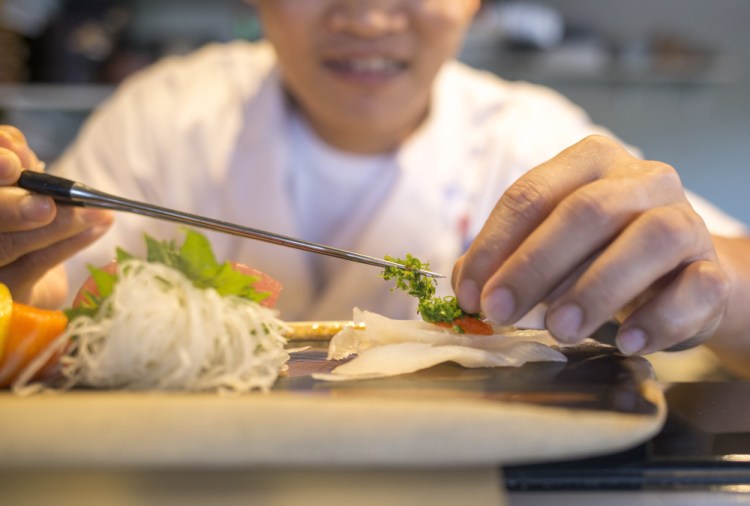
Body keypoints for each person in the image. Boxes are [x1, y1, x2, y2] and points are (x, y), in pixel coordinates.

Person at [0, 0, 749, 374]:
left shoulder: (525, 134)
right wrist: (21, 277)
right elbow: (48, 297)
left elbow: (727, 270)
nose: (366, 16)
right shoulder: (163, 116)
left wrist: (708, 286)